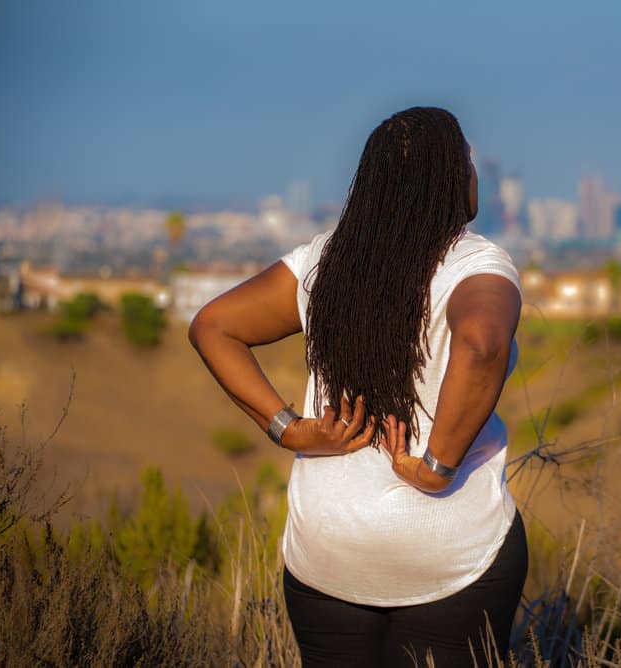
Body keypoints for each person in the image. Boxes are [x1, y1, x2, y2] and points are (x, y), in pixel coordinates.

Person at [188, 106, 527, 667]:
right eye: (466, 159)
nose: (474, 172)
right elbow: (483, 344)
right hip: (449, 557)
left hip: (328, 552)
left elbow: (213, 325)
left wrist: (287, 429)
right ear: (449, 177)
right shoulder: (474, 263)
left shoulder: (322, 259)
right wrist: (436, 467)